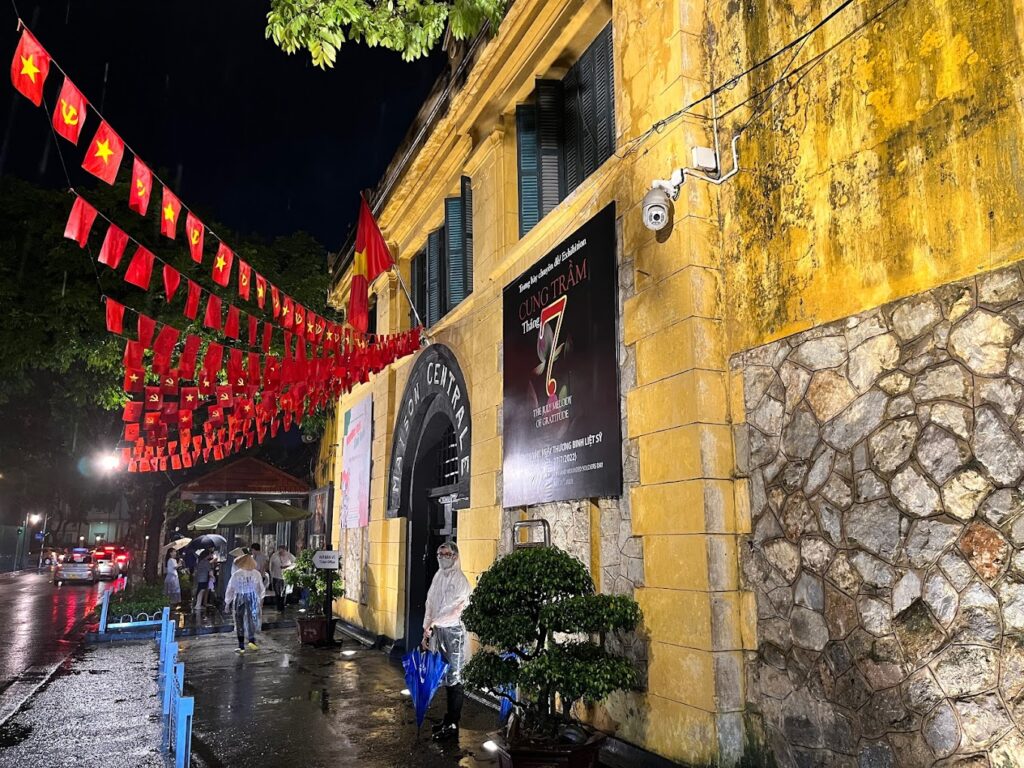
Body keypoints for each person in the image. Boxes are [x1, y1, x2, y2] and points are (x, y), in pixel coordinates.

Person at [422, 541, 472, 742]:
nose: (443, 557)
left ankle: (453, 723)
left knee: (455, 677)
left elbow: (453, 608)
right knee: (445, 677)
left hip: (453, 632)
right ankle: (448, 719)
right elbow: (430, 603)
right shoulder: (438, 577)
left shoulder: (460, 581)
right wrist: (427, 628)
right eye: (440, 553)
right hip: (438, 630)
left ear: (455, 556)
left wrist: (433, 623)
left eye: (447, 554)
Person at [224, 553, 266, 654]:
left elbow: (230, 588)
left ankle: (241, 645)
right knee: (251, 619)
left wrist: (227, 602)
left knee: (239, 620)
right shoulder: (256, 573)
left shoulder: (237, 574)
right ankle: (251, 640)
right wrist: (260, 600)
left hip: (240, 597)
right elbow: (261, 588)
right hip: (252, 597)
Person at [269, 545, 295, 612]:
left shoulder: (289, 556)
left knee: (283, 592)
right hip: (276, 576)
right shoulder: (274, 556)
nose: (280, 552)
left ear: (285, 550)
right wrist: (271, 575)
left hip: (285, 577)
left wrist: (287, 567)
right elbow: (270, 565)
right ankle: (279, 607)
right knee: (277, 592)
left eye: (282, 550)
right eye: (279, 550)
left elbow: (295, 564)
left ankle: (282, 606)